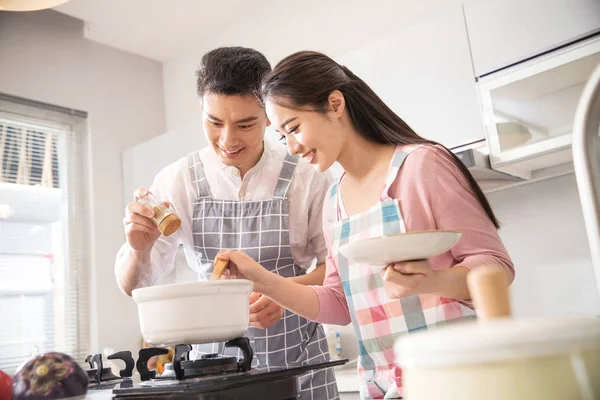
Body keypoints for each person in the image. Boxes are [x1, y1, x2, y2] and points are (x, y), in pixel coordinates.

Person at [215, 50, 515, 399]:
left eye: (294, 128)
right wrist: (262, 279)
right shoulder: (333, 202)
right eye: (283, 137)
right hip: (384, 387)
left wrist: (433, 280)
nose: (293, 148)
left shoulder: (422, 166)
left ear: (336, 104)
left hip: (457, 378)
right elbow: (339, 304)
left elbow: (495, 267)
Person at [114, 47, 339, 400]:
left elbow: (338, 269)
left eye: (245, 124)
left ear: (269, 115)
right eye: (214, 122)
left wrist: (286, 293)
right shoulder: (178, 180)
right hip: (213, 374)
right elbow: (134, 287)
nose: (228, 140)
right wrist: (138, 250)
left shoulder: (307, 176)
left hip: (298, 366)